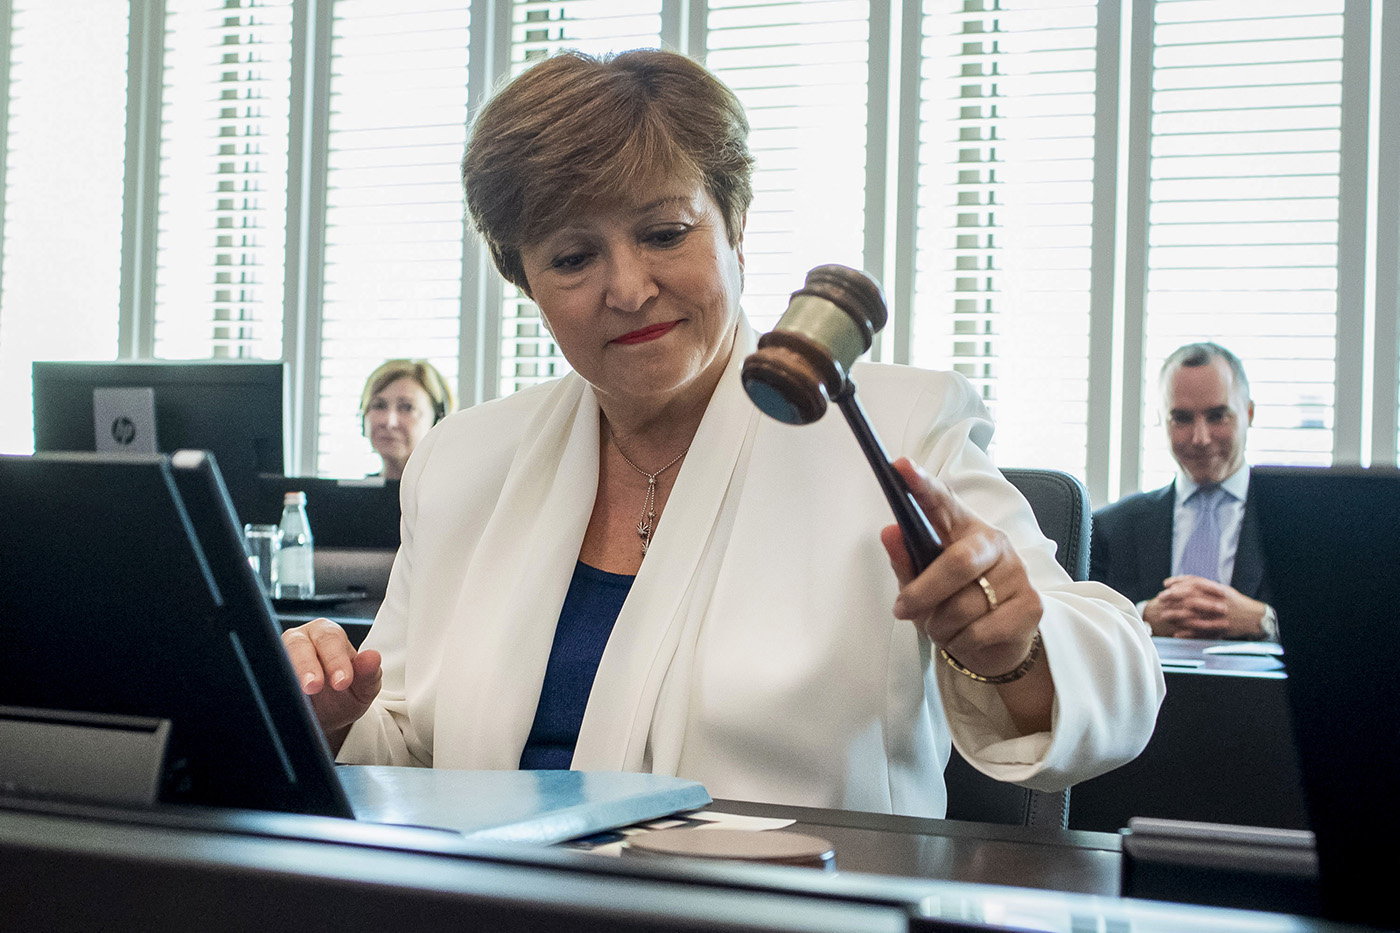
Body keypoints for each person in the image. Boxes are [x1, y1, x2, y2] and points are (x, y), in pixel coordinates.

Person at [283, 49, 1164, 818]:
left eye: (665, 232)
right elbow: (401, 749)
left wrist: (1016, 650)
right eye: (572, 256)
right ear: (525, 280)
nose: (628, 288)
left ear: (735, 225)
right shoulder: (464, 461)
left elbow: (1120, 671)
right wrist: (327, 709)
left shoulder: (893, 428)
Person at [1090, 342, 1276, 640]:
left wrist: (1264, 621)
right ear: (1161, 420)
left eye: (1217, 416)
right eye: (1182, 418)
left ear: (1249, 414)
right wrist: (1141, 618)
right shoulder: (1108, 530)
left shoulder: (1304, 523)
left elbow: (1339, 628)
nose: (1200, 438)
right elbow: (1079, 627)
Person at [359, 359, 456, 480]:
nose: (390, 423)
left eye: (407, 407)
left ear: (437, 420)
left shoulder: (455, 494)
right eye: (379, 405)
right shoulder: (349, 496)